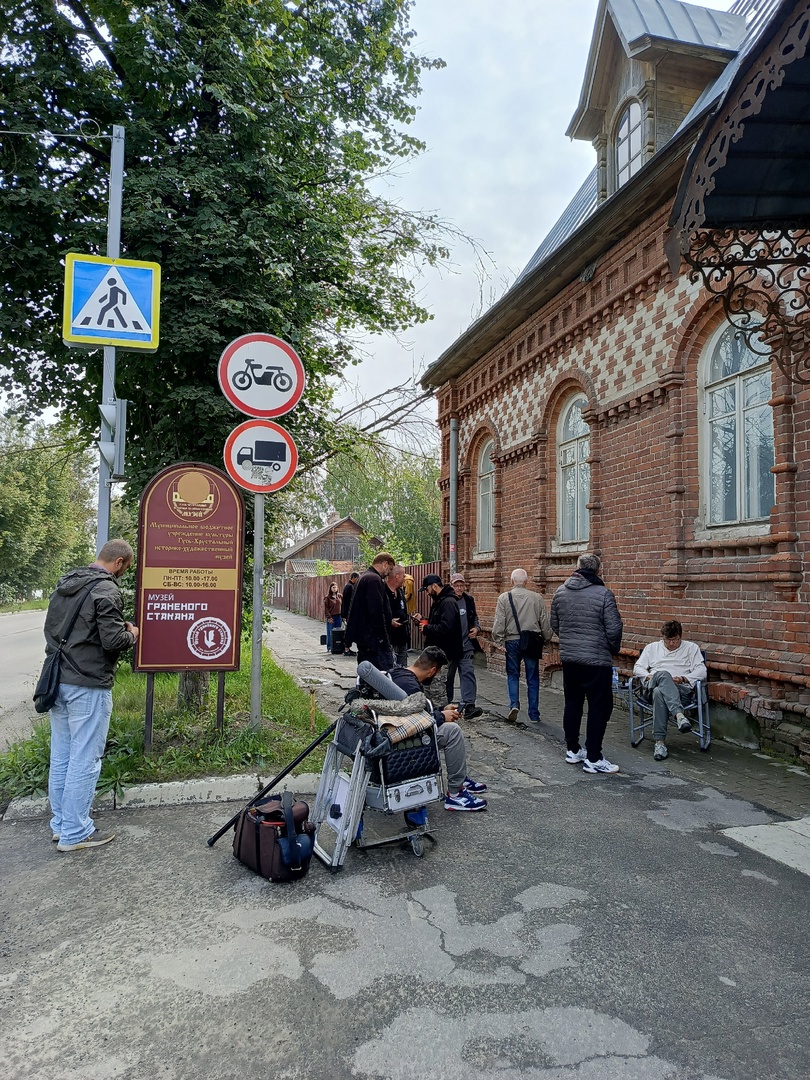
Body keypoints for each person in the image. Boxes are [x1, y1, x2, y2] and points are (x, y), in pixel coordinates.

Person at [44, 539, 139, 852]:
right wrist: (132, 633)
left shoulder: (65, 585)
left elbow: (54, 630)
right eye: (126, 568)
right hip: (87, 683)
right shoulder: (106, 590)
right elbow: (112, 641)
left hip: (58, 679)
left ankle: (61, 825)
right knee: (85, 758)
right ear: (121, 563)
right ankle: (75, 832)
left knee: (62, 755)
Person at [389, 646, 487, 812]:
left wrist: (441, 709)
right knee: (452, 731)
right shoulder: (412, 688)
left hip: (393, 731)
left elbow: (416, 712)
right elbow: (418, 722)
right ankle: (456, 794)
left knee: (448, 726)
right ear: (433, 670)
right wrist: (442, 717)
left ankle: (460, 777)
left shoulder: (398, 674)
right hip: (403, 740)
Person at [550, 553, 623, 775]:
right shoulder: (603, 594)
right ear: (598, 570)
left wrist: (570, 641)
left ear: (577, 568)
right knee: (599, 708)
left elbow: (555, 623)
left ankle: (573, 749)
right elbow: (614, 628)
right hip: (596, 660)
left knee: (572, 703)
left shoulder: (560, 592)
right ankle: (593, 757)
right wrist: (611, 648)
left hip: (570, 658)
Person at [633, 620, 707, 761]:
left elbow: (702, 671)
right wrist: (649, 676)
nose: (672, 644)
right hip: (652, 685)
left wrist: (683, 678)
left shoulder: (691, 648)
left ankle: (660, 744)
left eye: (675, 640)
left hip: (680, 691)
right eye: (668, 640)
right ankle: (679, 716)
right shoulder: (652, 648)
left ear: (681, 636)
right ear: (663, 637)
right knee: (663, 675)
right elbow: (637, 668)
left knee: (659, 692)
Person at [492, 568, 552, 725]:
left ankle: (514, 705)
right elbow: (544, 621)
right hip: (532, 641)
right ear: (526, 581)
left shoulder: (504, 598)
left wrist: (498, 640)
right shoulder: (536, 598)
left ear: (512, 581)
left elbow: (499, 621)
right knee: (532, 677)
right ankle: (534, 713)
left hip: (512, 641)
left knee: (513, 674)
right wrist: (547, 638)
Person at [411, 574, 463, 713]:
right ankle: (432, 714)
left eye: (427, 589)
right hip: (437, 654)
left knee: (438, 689)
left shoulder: (448, 603)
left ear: (434, 586)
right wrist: (423, 620)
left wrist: (428, 628)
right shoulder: (440, 601)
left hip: (445, 654)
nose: (427, 593)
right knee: (430, 687)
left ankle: (444, 717)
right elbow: (439, 622)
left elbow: (446, 628)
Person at [344, 553, 396, 669]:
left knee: (367, 674)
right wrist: (383, 639)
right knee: (380, 676)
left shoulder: (366, 577)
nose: (389, 573)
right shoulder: (373, 579)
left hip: (366, 638)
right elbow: (375, 612)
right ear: (384, 564)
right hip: (373, 640)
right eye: (390, 569)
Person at [447, 573, 483, 719]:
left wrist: (476, 628)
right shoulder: (447, 601)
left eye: (461, 585)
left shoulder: (469, 600)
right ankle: (446, 705)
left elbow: (474, 618)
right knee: (448, 677)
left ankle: (469, 706)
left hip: (466, 645)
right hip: (450, 647)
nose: (459, 588)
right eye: (456, 585)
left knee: (468, 673)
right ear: (451, 586)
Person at [386, 564, 410, 668]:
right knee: (391, 669)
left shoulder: (400, 591)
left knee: (403, 669)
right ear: (396, 576)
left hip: (402, 638)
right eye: (403, 576)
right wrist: (389, 621)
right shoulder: (383, 592)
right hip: (390, 639)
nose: (405, 578)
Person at [341, 572, 360, 655]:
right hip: (349, 613)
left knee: (349, 630)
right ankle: (346, 648)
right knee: (350, 630)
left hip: (347, 612)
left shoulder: (348, 586)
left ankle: (347, 647)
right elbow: (350, 602)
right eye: (357, 578)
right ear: (354, 578)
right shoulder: (350, 587)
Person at [323, 581, 342, 652]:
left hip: (339, 616)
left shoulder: (339, 596)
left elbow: (342, 606)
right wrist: (329, 617)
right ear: (330, 588)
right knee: (330, 632)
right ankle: (329, 647)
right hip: (331, 617)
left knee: (338, 631)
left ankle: (338, 646)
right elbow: (326, 608)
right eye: (333, 587)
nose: (334, 589)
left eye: (335, 587)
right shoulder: (327, 598)